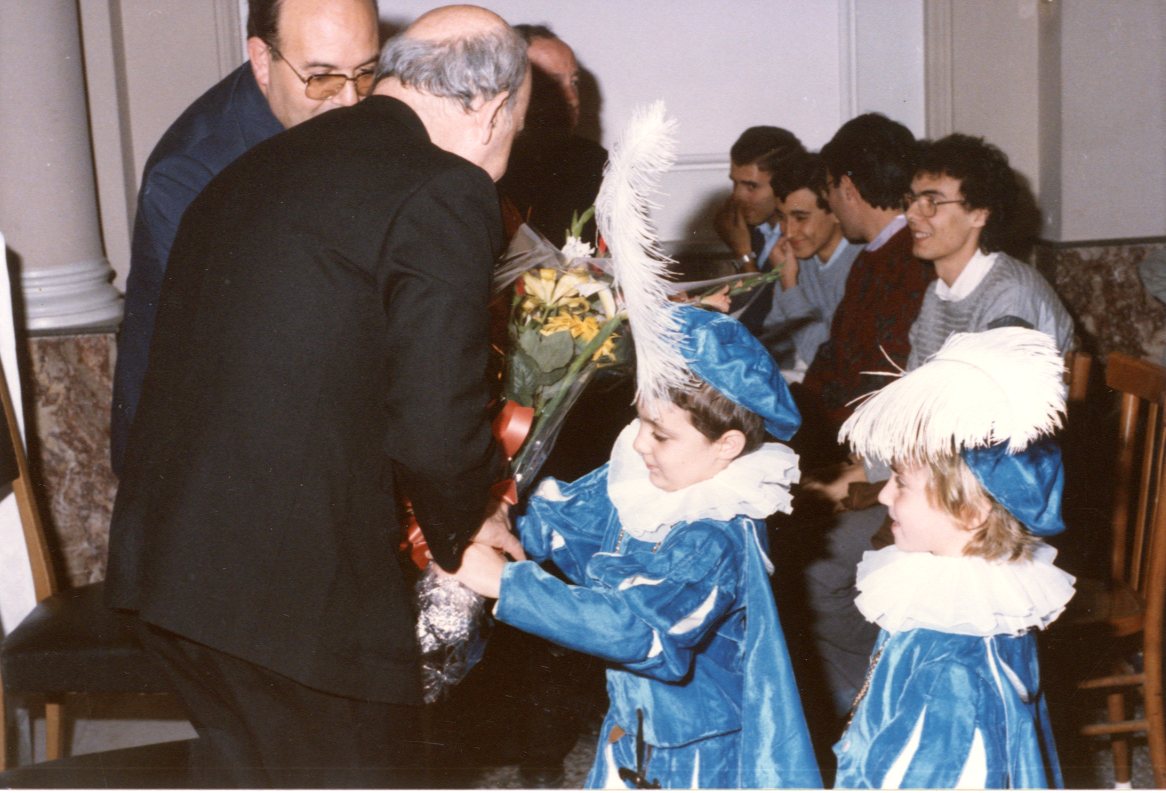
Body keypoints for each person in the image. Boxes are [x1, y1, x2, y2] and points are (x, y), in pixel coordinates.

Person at [104, 6, 530, 787]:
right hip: (292, 604)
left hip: (174, 577)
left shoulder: (254, 162)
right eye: (517, 131)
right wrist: (469, 524)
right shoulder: (446, 187)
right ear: (494, 108)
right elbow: (435, 426)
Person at [453, 305, 822, 789]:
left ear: (727, 446)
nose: (641, 444)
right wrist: (502, 520)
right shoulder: (654, 478)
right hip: (636, 722)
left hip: (691, 751)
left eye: (661, 435)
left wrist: (507, 584)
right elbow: (567, 522)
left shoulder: (713, 536)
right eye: (641, 422)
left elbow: (637, 630)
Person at [110, 0, 381, 476]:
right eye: (322, 77)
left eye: (366, 73)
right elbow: (255, 355)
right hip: (201, 456)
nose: (350, 101)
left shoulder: (341, 114)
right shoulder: (190, 176)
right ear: (261, 59)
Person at [833, 327, 1075, 787]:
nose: (883, 495)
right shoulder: (968, 604)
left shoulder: (951, 671)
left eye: (901, 483)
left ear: (968, 512)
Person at [904, 133, 1073, 368]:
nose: (911, 214)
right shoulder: (938, 292)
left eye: (931, 202)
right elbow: (913, 381)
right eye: (912, 200)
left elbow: (998, 390)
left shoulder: (1010, 295)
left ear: (979, 214)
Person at [498, 24, 607, 248]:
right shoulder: (485, 163)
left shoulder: (592, 161)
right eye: (553, 82)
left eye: (573, 82)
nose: (572, 98)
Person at [760, 150, 863, 376]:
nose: (789, 232)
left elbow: (827, 360)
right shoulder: (797, 257)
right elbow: (773, 340)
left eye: (800, 218)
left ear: (835, 212)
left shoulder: (861, 264)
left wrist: (789, 285)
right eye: (781, 217)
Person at [712, 126, 806, 335]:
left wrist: (744, 254)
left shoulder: (801, 239)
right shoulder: (752, 229)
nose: (738, 195)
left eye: (751, 186)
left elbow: (762, 320)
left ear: (784, 183)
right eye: (735, 183)